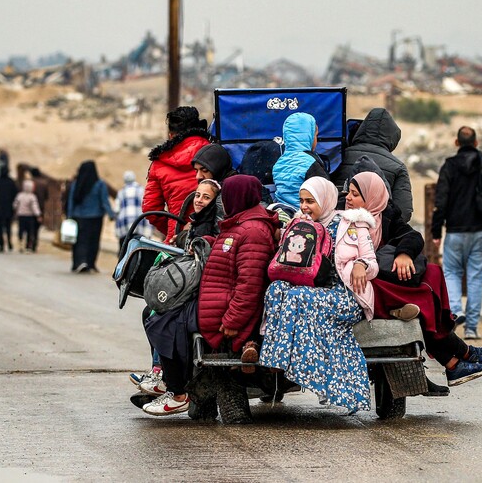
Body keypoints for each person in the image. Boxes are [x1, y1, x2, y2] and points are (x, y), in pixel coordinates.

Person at [348, 172, 482, 387]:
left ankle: (458, 359)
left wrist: (403, 253)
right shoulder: (346, 220)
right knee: (423, 297)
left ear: (372, 197)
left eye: (355, 194)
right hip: (364, 282)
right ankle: (459, 357)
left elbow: (411, 235)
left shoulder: (384, 215)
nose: (347, 197)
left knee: (432, 273)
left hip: (380, 274)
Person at [142, 174, 279, 416]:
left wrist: (232, 321)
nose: (223, 202)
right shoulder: (240, 223)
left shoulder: (253, 231)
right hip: (217, 303)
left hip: (224, 312)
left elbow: (250, 285)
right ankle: (181, 389)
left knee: (162, 321)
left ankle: (177, 392)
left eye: (225, 197)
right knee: (159, 313)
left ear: (238, 197)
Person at [260, 176, 377, 414]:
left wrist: (361, 265)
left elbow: (372, 262)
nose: (304, 206)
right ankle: (275, 358)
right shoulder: (299, 224)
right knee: (276, 290)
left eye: (310, 201)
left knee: (297, 297)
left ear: (325, 200)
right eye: (302, 201)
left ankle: (299, 367)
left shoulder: (350, 224)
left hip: (343, 293)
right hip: (311, 288)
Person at [133, 178, 222, 398]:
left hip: (201, 293)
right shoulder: (197, 221)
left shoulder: (213, 224)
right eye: (198, 195)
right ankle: (162, 375)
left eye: (206, 197)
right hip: (194, 288)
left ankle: (173, 386)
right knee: (152, 311)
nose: (199, 200)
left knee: (159, 317)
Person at [430, 126, 482, 339]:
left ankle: (456, 314)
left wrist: (436, 230)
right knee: (476, 278)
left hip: (456, 231)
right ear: (476, 143)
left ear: (456, 143)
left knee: (452, 274)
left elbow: (440, 200)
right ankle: (472, 328)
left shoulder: (449, 166)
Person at [142, 106, 212, 243]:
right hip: (212, 239)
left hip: (177, 241)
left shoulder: (158, 163)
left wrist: (174, 228)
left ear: (171, 135)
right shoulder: (215, 153)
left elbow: (150, 209)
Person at [331, 108, 413, 222]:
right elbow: (404, 212)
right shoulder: (397, 166)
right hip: (377, 232)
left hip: (337, 227)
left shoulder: (338, 157)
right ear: (393, 137)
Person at [271, 112, 330, 209]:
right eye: (315, 136)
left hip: (282, 212)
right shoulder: (310, 162)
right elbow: (326, 193)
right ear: (309, 137)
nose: (316, 140)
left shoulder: (279, 162)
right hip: (304, 214)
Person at [66, 160, 115, 273]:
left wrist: (69, 215)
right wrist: (111, 214)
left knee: (79, 241)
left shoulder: (76, 183)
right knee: (94, 241)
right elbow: (104, 201)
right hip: (96, 218)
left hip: (78, 217)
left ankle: (78, 262)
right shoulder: (100, 184)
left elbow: (71, 200)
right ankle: (90, 263)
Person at [114, 171, 151, 250]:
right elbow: (146, 206)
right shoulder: (141, 190)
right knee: (138, 249)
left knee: (124, 250)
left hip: (125, 226)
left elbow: (116, 210)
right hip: (139, 224)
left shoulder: (121, 192)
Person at [13, 179, 42, 253]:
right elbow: (34, 207)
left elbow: (15, 205)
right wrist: (38, 215)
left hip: (21, 215)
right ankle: (28, 246)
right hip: (29, 216)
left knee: (21, 230)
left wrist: (16, 211)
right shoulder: (32, 197)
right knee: (29, 231)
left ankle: (20, 245)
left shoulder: (20, 195)